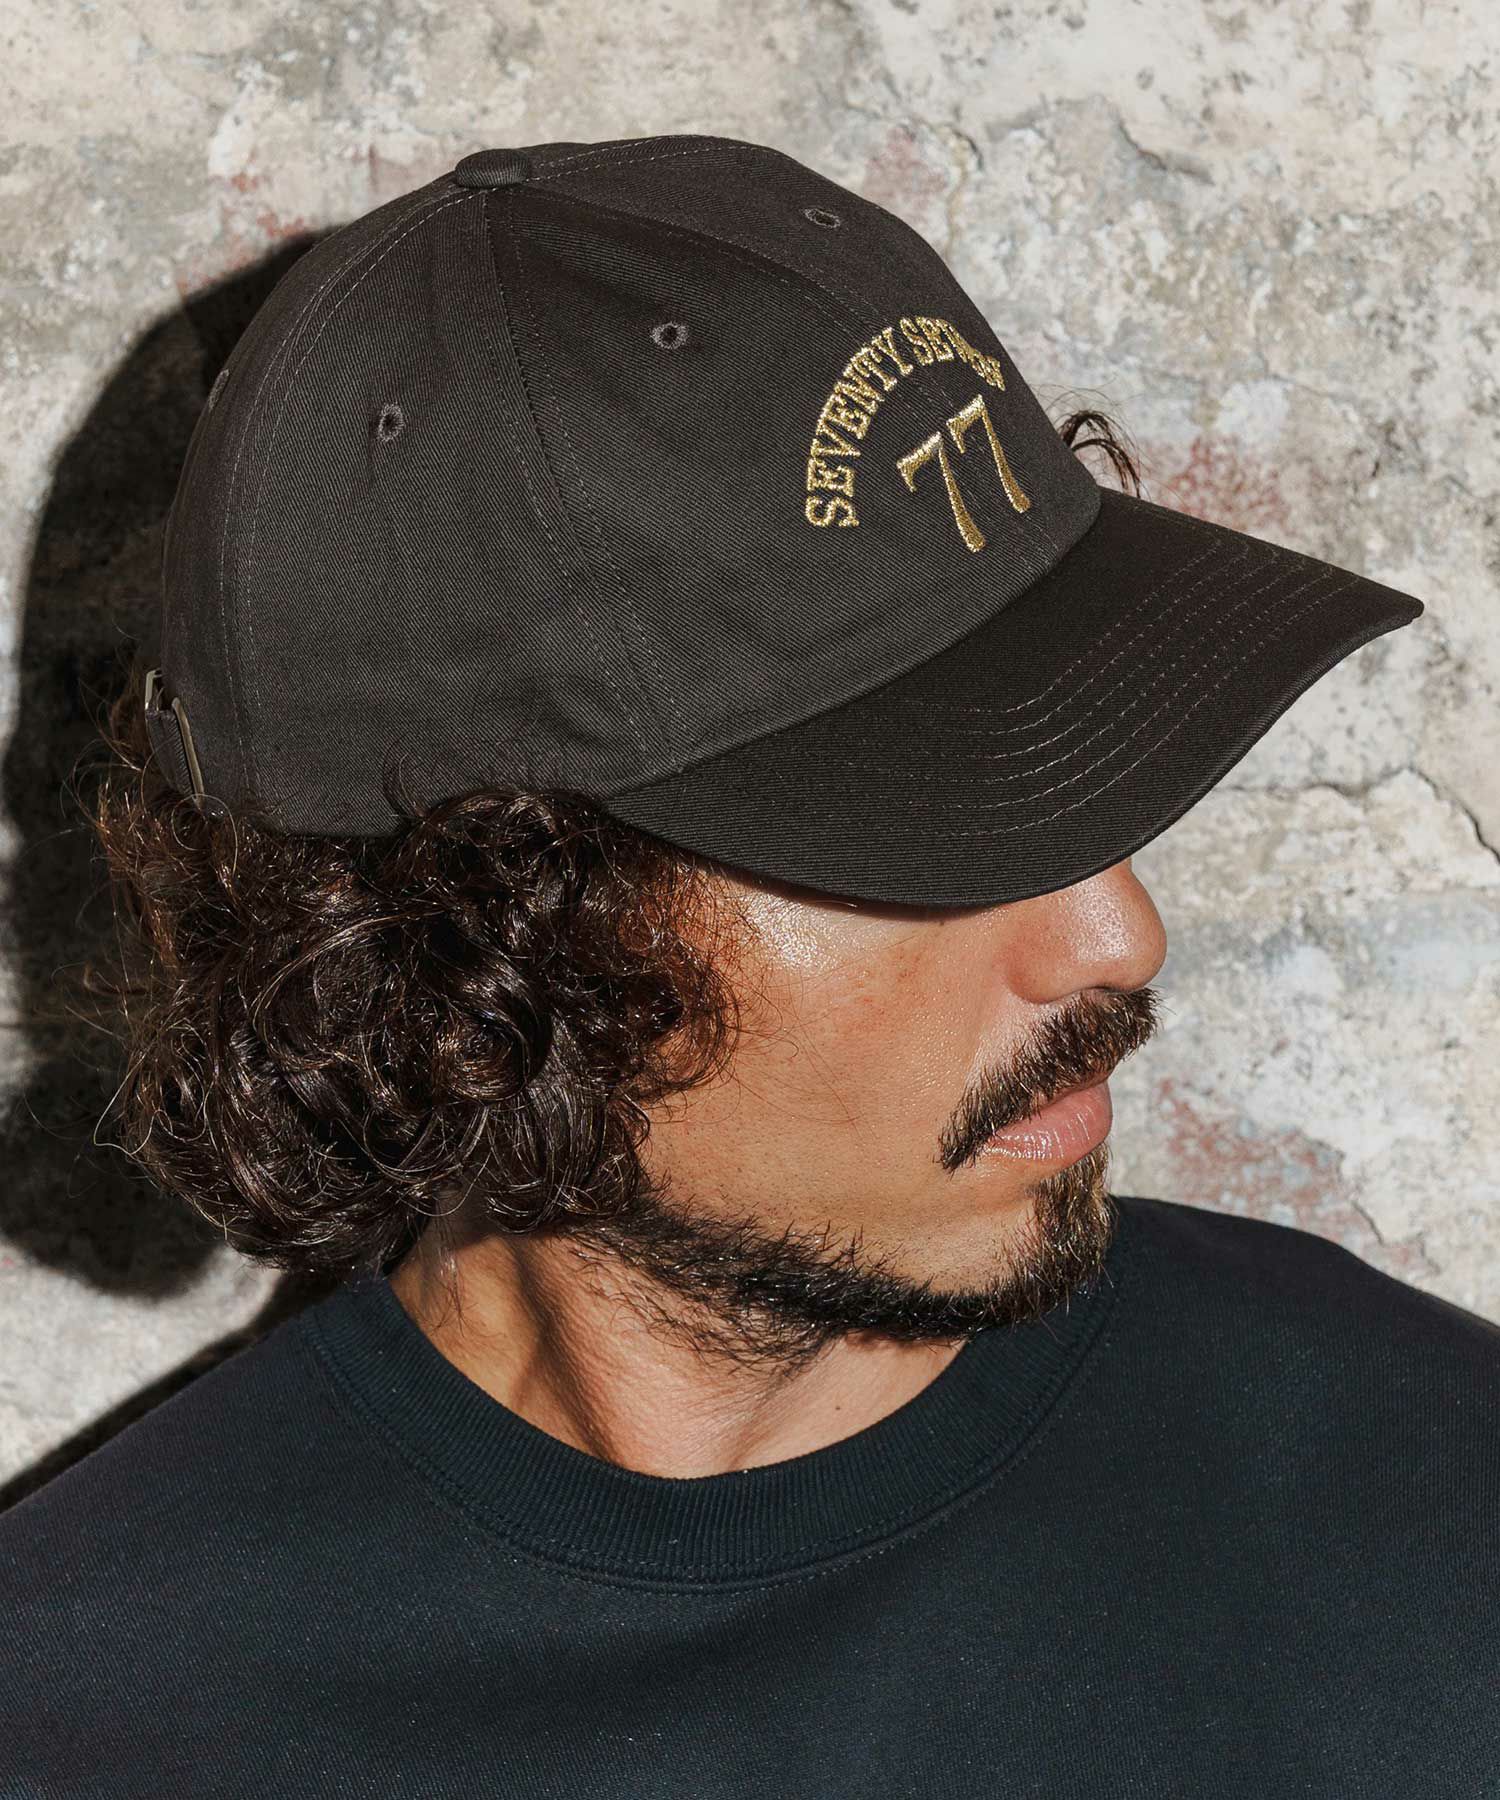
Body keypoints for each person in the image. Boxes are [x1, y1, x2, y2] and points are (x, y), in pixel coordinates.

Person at [1, 132, 1494, 1795]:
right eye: (911, 834)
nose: (1114, 936)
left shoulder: (1428, 1503)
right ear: (465, 957)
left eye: (1078, 774)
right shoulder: (90, 1718)